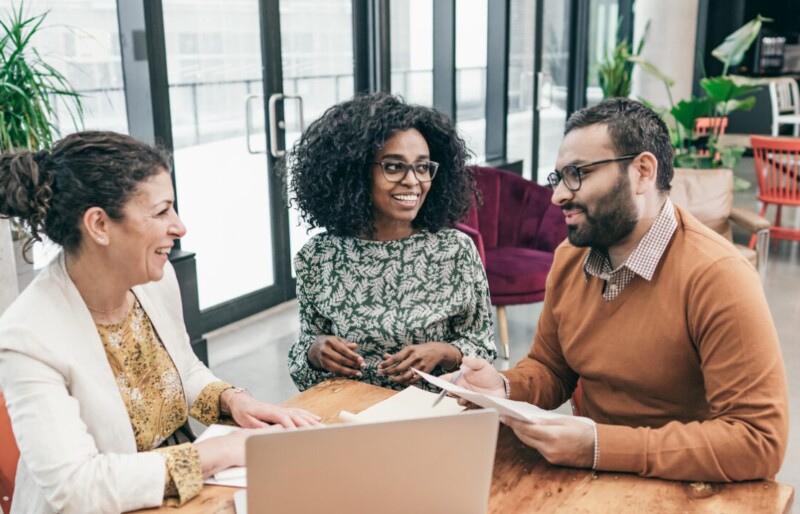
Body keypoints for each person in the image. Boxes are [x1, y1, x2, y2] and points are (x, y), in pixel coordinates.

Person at [0, 131, 321, 514]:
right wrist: (218, 451)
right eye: (161, 212)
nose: (180, 227)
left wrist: (234, 402)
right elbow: (79, 488)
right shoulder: (28, 337)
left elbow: (182, 369)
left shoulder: (153, 278)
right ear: (99, 224)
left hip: (176, 502)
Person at [451, 98, 788, 482]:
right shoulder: (570, 258)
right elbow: (551, 367)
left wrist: (600, 446)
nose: (558, 195)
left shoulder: (719, 277)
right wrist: (504, 386)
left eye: (577, 173)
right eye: (558, 177)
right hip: (597, 479)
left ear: (642, 172)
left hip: (692, 492)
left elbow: (758, 441)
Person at [286, 92, 496, 391]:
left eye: (422, 167)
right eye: (394, 166)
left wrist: (445, 353)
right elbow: (305, 353)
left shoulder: (455, 250)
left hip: (431, 416)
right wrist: (315, 351)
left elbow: (484, 349)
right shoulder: (319, 256)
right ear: (355, 172)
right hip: (349, 414)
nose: (413, 181)